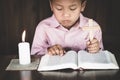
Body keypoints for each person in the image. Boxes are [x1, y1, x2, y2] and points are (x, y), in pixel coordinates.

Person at [31, 0, 103, 56]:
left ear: (82, 6)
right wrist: (49, 51)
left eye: (72, 8)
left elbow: (101, 56)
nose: (66, 15)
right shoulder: (43, 27)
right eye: (59, 8)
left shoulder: (93, 27)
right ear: (51, 6)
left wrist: (95, 49)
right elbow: (35, 55)